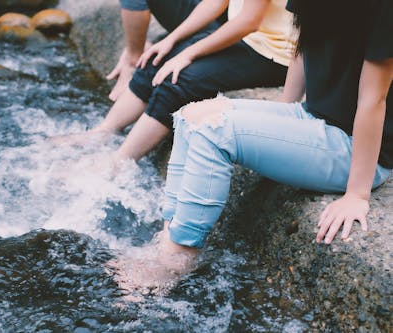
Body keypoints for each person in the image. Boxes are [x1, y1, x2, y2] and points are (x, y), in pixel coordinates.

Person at [113, 0, 393, 290]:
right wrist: (285, 112)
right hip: (313, 116)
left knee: (214, 131)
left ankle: (179, 257)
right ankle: (169, 235)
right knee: (193, 114)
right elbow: (302, 42)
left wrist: (357, 194)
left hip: (351, 147)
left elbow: (374, 100)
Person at [51, 0, 296, 162]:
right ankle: (104, 131)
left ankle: (119, 161)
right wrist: (173, 40)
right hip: (249, 38)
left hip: (275, 55)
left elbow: (248, 21)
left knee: (179, 80)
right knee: (158, 58)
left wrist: (189, 52)